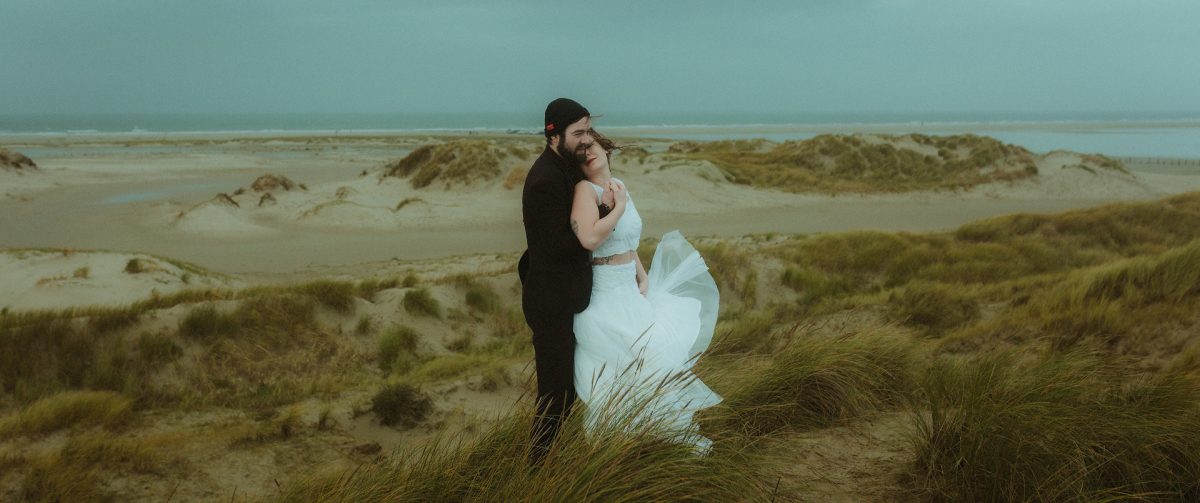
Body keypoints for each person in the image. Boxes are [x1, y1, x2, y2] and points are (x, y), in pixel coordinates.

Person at [569, 130, 722, 454]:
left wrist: (642, 275)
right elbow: (589, 239)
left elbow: (627, 241)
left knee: (651, 361)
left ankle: (654, 436)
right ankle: (620, 444)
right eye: (580, 152)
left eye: (591, 145)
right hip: (605, 291)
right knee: (626, 361)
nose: (587, 153)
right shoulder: (585, 190)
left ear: (605, 147)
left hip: (630, 287)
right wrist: (619, 207)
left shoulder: (620, 185)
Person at [519, 97, 612, 465]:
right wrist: (604, 217)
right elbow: (555, 244)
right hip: (550, 304)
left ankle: (563, 460)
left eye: (588, 130)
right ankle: (536, 469)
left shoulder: (567, 168)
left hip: (569, 299)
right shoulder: (544, 179)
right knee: (554, 396)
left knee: (574, 392)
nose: (585, 139)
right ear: (553, 135)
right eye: (578, 133)